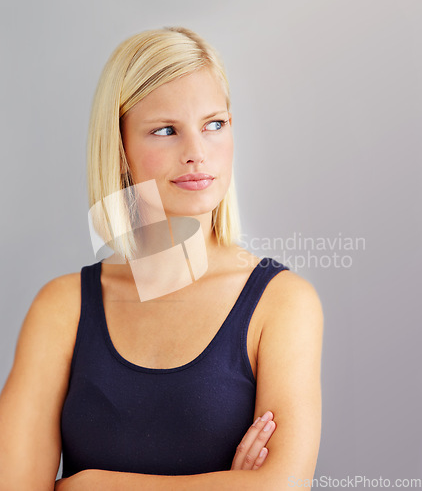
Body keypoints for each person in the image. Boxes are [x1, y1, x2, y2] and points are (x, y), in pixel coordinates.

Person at [0, 26, 323, 491]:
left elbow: (282, 486)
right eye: (165, 130)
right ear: (122, 149)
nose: (196, 153)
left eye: (214, 124)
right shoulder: (61, 308)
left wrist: (90, 485)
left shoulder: (283, 303)